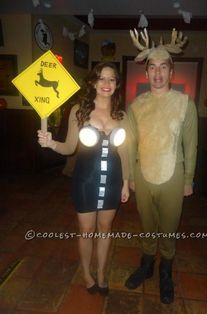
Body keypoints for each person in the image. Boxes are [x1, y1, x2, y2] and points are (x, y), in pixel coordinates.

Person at [38, 62, 129, 296]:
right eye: (101, 78)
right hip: (86, 180)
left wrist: (126, 182)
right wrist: (50, 143)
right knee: (86, 230)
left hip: (113, 180)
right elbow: (69, 148)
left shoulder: (121, 113)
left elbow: (125, 152)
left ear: (117, 84)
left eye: (112, 79)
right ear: (93, 82)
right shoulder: (80, 110)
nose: (106, 84)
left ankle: (100, 273)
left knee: (105, 228)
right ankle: (87, 274)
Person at [125, 28, 198, 304]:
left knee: (168, 227)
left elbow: (191, 145)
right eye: (152, 68)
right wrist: (131, 176)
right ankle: (147, 265)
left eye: (163, 67)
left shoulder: (184, 104)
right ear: (146, 74)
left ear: (171, 72)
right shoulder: (136, 105)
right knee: (146, 225)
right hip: (142, 175)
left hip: (173, 176)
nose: (157, 73)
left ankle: (165, 271)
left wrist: (188, 179)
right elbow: (130, 144)